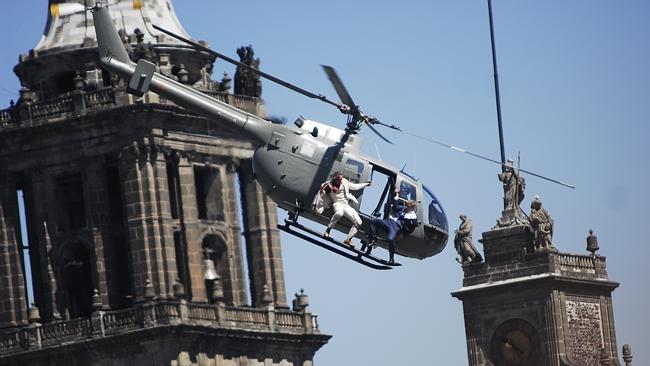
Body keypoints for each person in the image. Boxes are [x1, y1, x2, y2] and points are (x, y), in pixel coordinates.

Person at [312, 171, 370, 247]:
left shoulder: (344, 182)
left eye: (341, 179)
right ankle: (328, 230)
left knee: (359, 222)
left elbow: (354, 186)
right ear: (335, 179)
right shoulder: (329, 186)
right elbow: (320, 196)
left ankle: (348, 239)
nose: (341, 180)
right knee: (339, 213)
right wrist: (315, 206)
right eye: (339, 179)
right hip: (337, 203)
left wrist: (366, 184)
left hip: (346, 205)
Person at [367, 189, 418, 264]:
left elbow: (412, 227)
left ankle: (391, 258)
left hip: (395, 227)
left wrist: (403, 233)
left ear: (412, 207)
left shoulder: (413, 217)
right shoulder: (403, 209)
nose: (406, 207)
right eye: (406, 205)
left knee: (391, 239)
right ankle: (374, 239)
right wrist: (396, 196)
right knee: (372, 220)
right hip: (389, 222)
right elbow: (396, 207)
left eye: (408, 206)